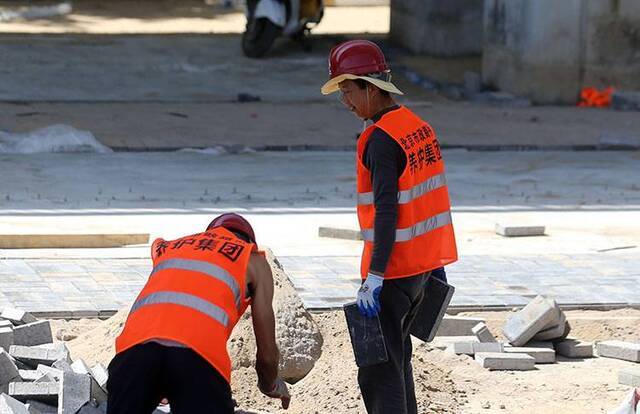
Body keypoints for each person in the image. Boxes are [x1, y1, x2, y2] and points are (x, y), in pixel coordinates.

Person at [321, 39, 458, 414]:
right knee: (398, 360)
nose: (345, 101)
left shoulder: (380, 140)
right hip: (421, 270)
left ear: (370, 86)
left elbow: (386, 212)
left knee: (379, 372)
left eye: (348, 90)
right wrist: (435, 268)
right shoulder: (417, 127)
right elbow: (431, 201)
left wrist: (375, 275)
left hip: (393, 272)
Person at [107, 213, 290, 414]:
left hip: (132, 356)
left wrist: (162, 381)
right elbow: (267, 356)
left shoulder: (171, 247)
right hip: (197, 360)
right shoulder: (252, 260)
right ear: (248, 241)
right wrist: (270, 385)